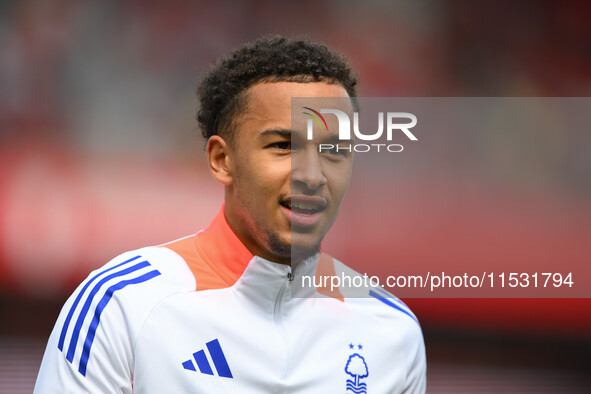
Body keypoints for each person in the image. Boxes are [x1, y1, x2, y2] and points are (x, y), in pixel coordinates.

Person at [34, 35, 426, 393]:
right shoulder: (122, 306)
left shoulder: (393, 333)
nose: (313, 175)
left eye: (334, 151)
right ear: (222, 159)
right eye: (283, 145)